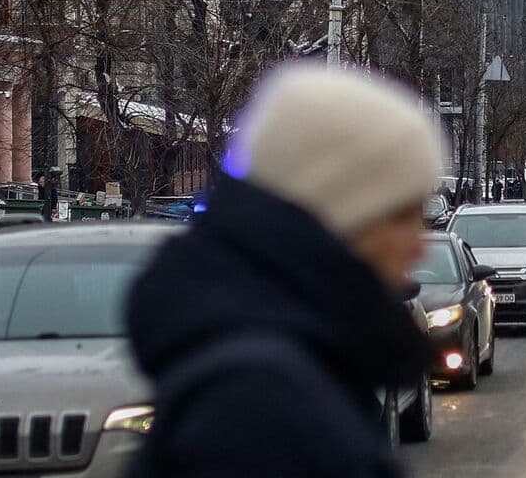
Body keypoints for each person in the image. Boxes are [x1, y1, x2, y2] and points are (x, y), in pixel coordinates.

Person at [125, 64, 442, 478]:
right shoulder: (265, 408)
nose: (420, 244)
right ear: (336, 211)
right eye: (401, 216)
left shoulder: (273, 366)